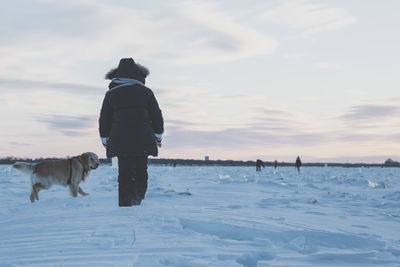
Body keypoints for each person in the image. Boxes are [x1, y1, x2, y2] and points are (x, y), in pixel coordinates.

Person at [99, 58, 164, 206]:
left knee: (124, 173)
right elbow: (157, 116)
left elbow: (104, 119)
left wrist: (105, 138)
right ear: (138, 75)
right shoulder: (146, 92)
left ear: (116, 76)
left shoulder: (111, 94)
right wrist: (158, 136)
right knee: (142, 169)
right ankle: (138, 199)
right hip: (143, 138)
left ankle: (126, 204)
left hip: (120, 140)